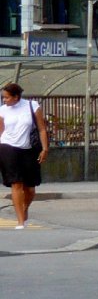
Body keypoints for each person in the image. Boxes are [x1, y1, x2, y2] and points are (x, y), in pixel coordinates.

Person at [0, 83, 48, 229]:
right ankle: (21, 221)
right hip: (7, 147)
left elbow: (41, 129)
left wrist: (45, 148)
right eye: (3, 98)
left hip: (29, 149)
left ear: (16, 97)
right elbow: (1, 131)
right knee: (16, 183)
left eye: (7, 97)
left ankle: (24, 208)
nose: (4, 100)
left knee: (30, 189)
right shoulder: (2, 110)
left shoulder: (32, 106)